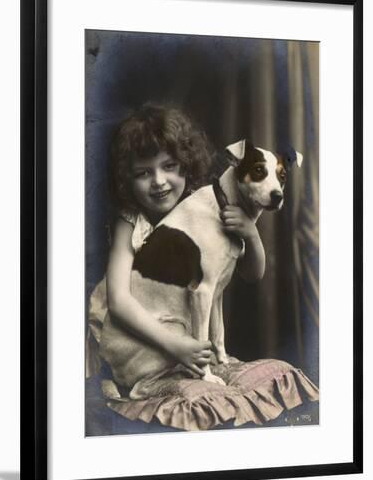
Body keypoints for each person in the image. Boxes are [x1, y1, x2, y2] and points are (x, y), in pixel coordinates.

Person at [86, 103, 266, 380]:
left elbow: (252, 274)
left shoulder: (201, 209)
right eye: (143, 173)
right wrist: (176, 346)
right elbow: (119, 300)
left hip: (184, 332)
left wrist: (251, 234)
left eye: (169, 166)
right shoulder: (131, 221)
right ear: (127, 180)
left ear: (187, 164)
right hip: (139, 334)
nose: (159, 181)